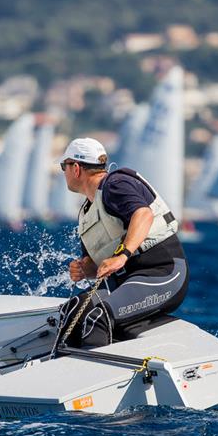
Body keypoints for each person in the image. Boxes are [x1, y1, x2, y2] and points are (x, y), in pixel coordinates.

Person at [55, 137, 189, 348]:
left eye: (64, 166)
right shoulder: (87, 211)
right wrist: (83, 269)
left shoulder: (116, 184)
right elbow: (95, 266)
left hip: (163, 274)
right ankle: (61, 370)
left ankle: (94, 377)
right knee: (72, 311)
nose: (64, 172)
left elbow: (143, 214)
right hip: (125, 283)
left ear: (76, 168)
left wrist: (122, 255)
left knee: (98, 316)